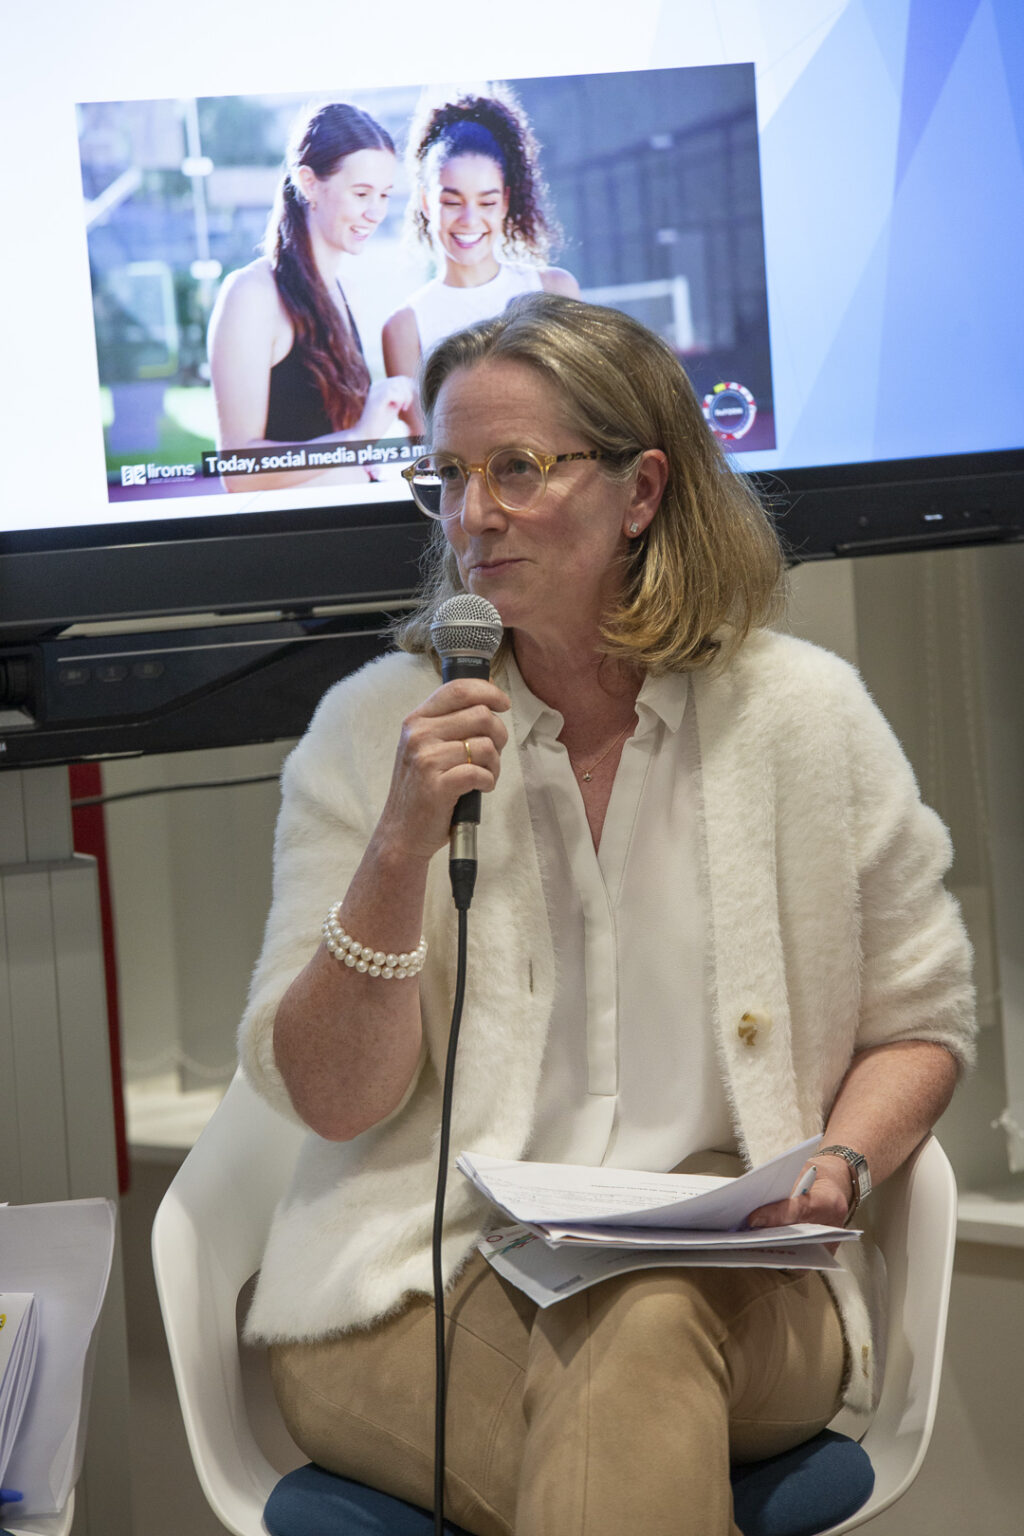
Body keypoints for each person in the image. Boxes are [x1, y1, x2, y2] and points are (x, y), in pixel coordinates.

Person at [237, 293, 975, 1536]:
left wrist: (840, 1164)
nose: (473, 515)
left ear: (641, 491)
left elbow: (921, 1021)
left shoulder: (805, 718)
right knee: (619, 1425)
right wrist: (399, 846)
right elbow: (333, 1101)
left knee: (640, 1318)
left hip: (733, 1278)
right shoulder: (371, 731)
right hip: (421, 1280)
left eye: (518, 469)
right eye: (449, 476)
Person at [208, 101, 414, 492]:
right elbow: (238, 471)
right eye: (361, 193)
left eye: (384, 195)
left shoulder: (343, 292)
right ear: (308, 182)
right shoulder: (252, 294)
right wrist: (358, 439)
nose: (376, 212)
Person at [382, 90, 579, 433]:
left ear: (505, 202)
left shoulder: (555, 289)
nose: (470, 220)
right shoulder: (404, 327)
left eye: (486, 203)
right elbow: (427, 446)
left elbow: (582, 409)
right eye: (452, 202)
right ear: (426, 203)